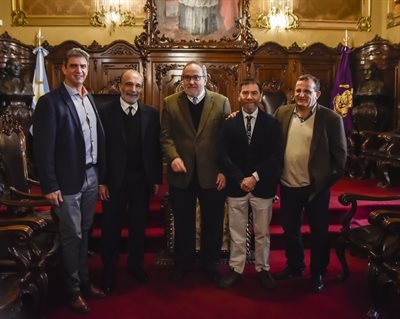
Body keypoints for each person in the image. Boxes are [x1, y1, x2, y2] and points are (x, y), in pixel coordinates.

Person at [33, 48, 106, 314]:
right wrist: (50, 185)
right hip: (66, 182)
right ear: (63, 68)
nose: (79, 71)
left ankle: (84, 282)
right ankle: (72, 290)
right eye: (74, 66)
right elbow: (42, 148)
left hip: (90, 175)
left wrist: (99, 176)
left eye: (83, 67)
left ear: (88, 69)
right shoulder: (50, 102)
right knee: (71, 235)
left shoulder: (88, 98)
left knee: (84, 231)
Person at [273, 74, 347, 292]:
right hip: (288, 185)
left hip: (316, 188)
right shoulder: (282, 113)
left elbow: (340, 158)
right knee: (290, 230)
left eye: (307, 91)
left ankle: (318, 273)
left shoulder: (331, 119)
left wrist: (324, 183)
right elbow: (269, 140)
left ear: (317, 94)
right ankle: (295, 266)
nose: (301, 95)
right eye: (298, 90)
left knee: (319, 233)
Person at [160, 61, 231, 282]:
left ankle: (210, 264)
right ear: (182, 80)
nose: (191, 81)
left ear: (205, 79)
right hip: (182, 174)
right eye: (187, 77)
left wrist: (224, 170)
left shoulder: (221, 102)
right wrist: (173, 157)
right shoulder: (170, 103)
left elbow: (227, 141)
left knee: (213, 222)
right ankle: (184, 263)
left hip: (213, 174)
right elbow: (165, 136)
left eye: (196, 77)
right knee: (183, 222)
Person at [98, 69, 162, 293]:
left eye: (137, 85)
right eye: (128, 84)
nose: (133, 90)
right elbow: (101, 150)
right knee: (110, 228)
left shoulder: (152, 114)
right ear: (119, 86)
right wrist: (101, 181)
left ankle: (135, 266)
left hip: (141, 181)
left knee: (138, 227)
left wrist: (155, 179)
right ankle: (108, 271)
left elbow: (155, 148)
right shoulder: (105, 112)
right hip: (114, 181)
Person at [218, 78, 283, 289]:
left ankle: (263, 268)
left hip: (262, 186)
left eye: (253, 93)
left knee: (262, 232)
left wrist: (254, 177)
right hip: (236, 187)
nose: (249, 97)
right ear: (239, 95)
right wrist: (240, 179)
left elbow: (275, 156)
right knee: (236, 232)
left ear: (259, 95)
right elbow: (223, 156)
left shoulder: (272, 123)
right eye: (245, 93)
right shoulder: (229, 123)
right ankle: (236, 268)